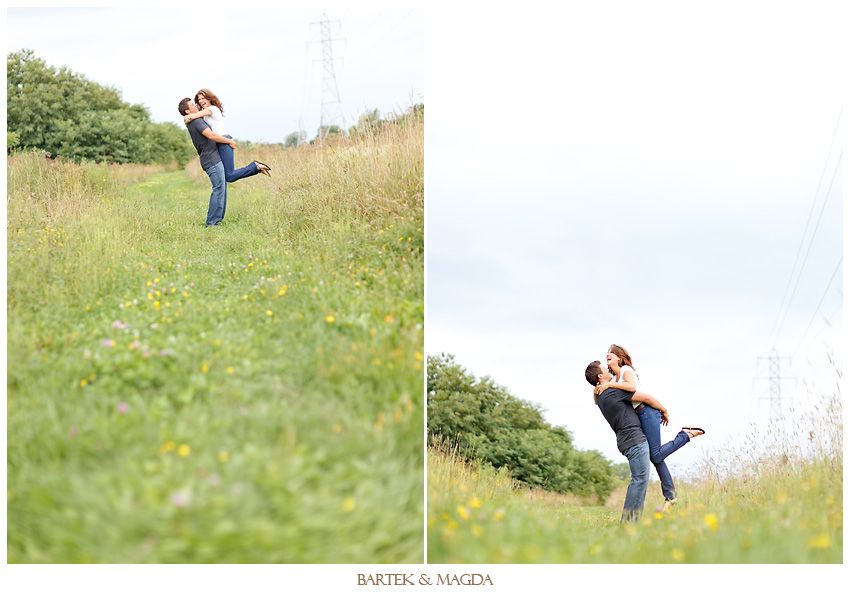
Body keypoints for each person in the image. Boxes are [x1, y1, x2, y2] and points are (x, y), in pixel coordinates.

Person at [595, 344, 704, 510]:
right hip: (640, 416)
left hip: (647, 412)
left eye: (611, 353)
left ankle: (685, 435)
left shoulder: (625, 371)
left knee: (656, 455)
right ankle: (670, 496)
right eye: (606, 353)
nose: (607, 355)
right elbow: (599, 396)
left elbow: (633, 388)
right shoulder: (615, 379)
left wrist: (664, 410)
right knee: (655, 456)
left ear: (619, 357)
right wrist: (597, 389)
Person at [584, 360, 656, 523]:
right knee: (639, 479)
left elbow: (596, 396)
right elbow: (645, 397)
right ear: (601, 376)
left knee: (639, 479)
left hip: (626, 440)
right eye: (605, 368)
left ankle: (630, 522)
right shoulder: (613, 392)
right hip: (634, 439)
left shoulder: (600, 395)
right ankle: (629, 523)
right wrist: (664, 410)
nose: (609, 369)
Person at [183, 88, 271, 180]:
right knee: (226, 176)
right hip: (218, 142)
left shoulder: (212, 109)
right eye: (199, 100)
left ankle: (255, 167)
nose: (201, 101)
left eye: (203, 98)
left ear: (209, 98)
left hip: (224, 141)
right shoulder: (204, 114)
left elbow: (194, 116)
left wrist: (187, 117)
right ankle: (256, 168)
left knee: (229, 176)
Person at [178, 97, 233, 226]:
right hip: (212, 160)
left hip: (211, 159)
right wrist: (229, 141)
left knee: (221, 189)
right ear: (187, 111)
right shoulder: (196, 122)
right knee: (219, 189)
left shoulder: (194, 120)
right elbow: (212, 135)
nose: (195, 105)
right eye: (192, 104)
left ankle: (217, 221)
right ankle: (212, 223)